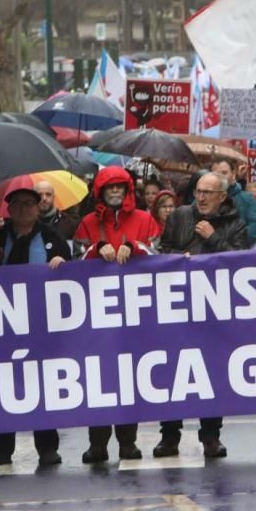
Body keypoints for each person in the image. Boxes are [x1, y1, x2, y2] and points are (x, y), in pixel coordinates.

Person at [0, 187, 71, 467]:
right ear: (8, 208)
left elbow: (72, 276)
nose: (23, 209)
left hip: (41, 325)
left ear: (38, 207)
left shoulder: (52, 238)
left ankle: (47, 446)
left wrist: (62, 264)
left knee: (42, 385)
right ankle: (2, 448)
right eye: (16, 204)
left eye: (29, 203)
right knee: (6, 385)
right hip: (3, 327)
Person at [156, 172, 248, 458]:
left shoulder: (235, 223)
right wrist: (174, 258)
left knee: (211, 374)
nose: (202, 197)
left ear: (223, 196)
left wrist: (214, 239)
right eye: (198, 191)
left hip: (213, 311)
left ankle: (211, 436)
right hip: (179, 308)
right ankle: (169, 437)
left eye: (209, 192)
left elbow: (240, 263)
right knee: (174, 373)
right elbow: (162, 249)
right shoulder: (180, 216)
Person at [73, 166, 160, 464]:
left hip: (134, 315)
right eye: (109, 188)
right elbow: (75, 261)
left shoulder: (145, 220)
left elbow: (158, 256)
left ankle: (127, 442)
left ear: (127, 191)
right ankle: (97, 443)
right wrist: (98, 248)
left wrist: (133, 247)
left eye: (119, 188)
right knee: (98, 379)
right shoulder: (86, 223)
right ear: (100, 191)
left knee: (128, 379)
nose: (114, 192)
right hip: (96, 316)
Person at [210, 155, 256, 241]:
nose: (220, 178)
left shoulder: (247, 198)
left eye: (224, 173)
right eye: (216, 174)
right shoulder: (203, 197)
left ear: (233, 173)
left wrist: (234, 241)